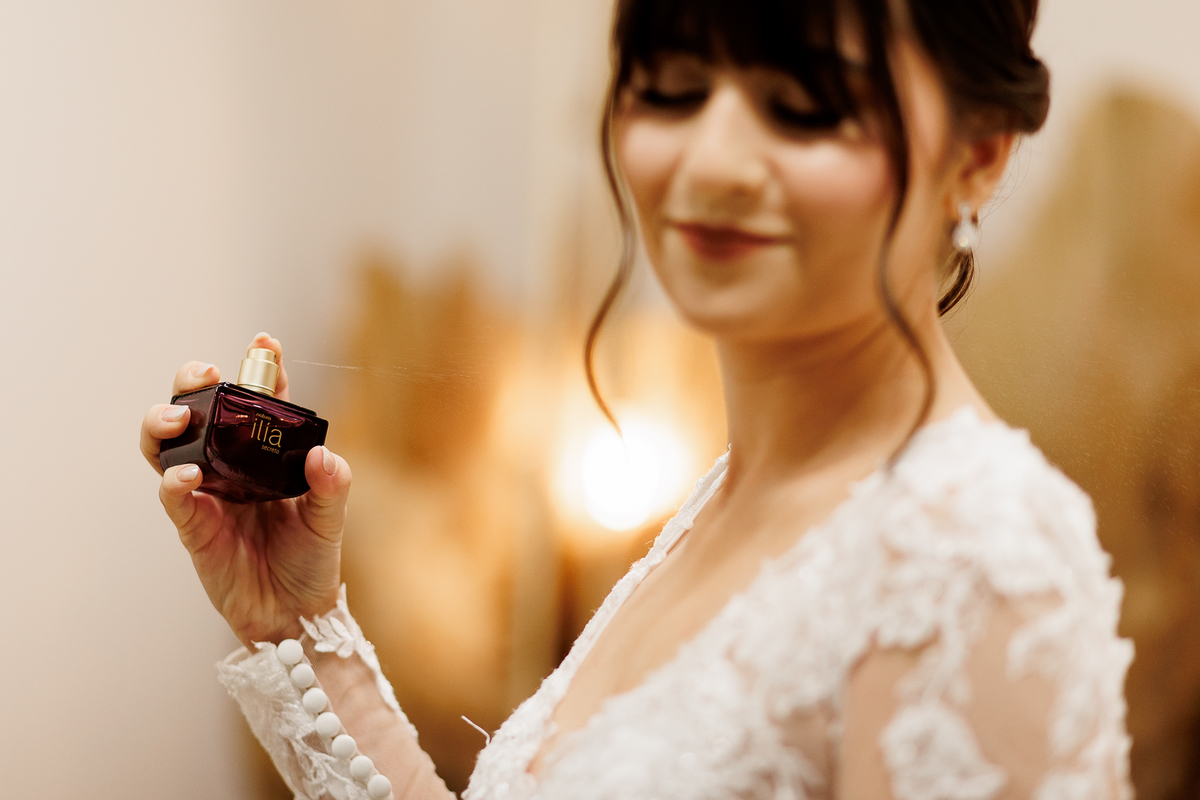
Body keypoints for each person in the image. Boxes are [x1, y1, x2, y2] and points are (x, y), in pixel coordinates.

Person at [139, 0, 1134, 797]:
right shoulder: (727, 500)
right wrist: (295, 621)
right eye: (672, 89)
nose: (711, 161)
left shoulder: (972, 563)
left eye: (805, 103)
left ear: (978, 153)